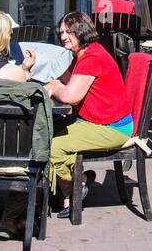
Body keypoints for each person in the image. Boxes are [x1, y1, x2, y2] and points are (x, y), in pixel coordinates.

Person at [42, 12, 136, 220]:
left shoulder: (92, 57)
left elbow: (70, 95)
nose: (64, 36)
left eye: (69, 32)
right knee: (47, 132)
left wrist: (54, 88)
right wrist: (51, 83)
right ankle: (74, 183)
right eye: (61, 32)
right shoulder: (83, 54)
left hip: (111, 127)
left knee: (52, 146)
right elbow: (63, 78)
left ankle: (76, 185)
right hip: (96, 120)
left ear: (82, 31)